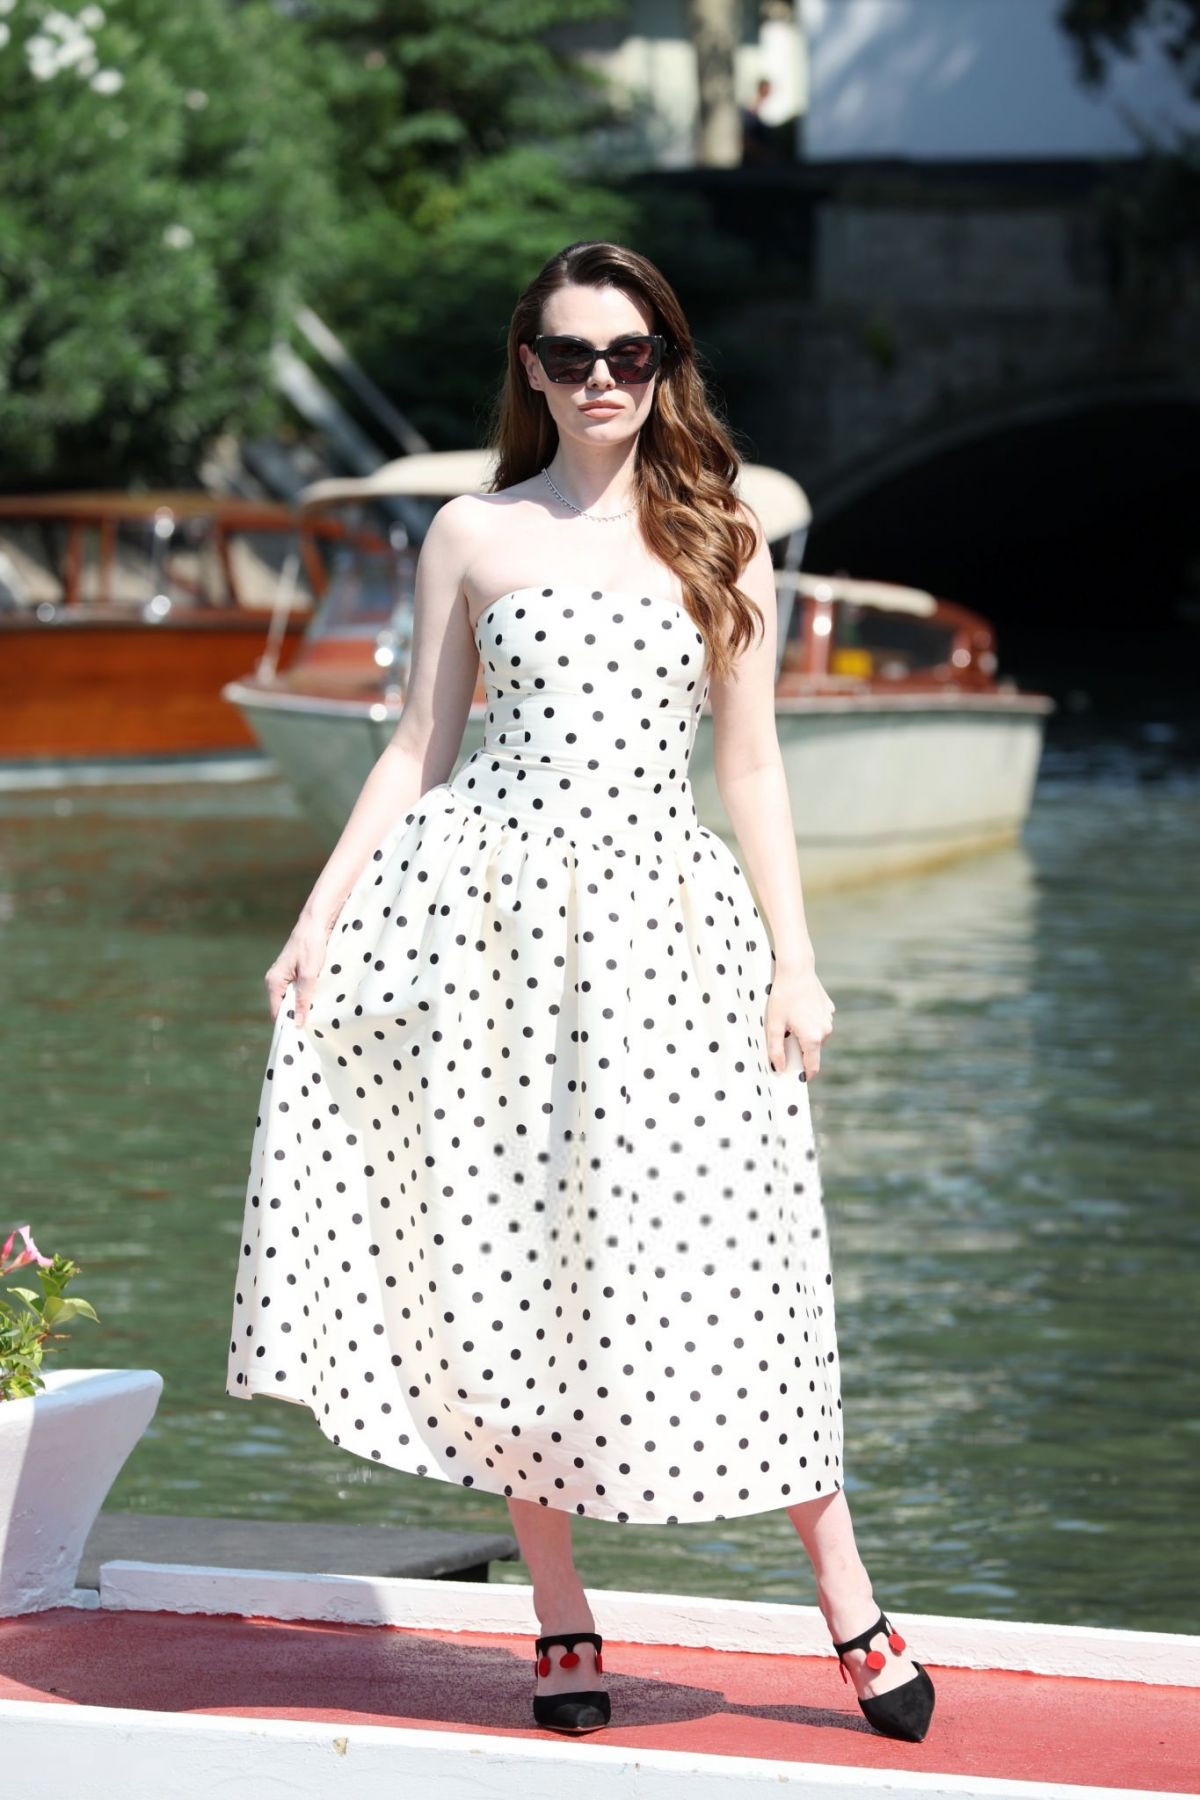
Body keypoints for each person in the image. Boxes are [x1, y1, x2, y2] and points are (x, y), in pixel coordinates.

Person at [225, 239, 935, 1745]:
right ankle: (559, 1613)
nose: (599, 380)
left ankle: (850, 1599)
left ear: (665, 364)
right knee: (514, 1261)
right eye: (568, 354)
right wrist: (317, 916)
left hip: (671, 936)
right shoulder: (471, 534)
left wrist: (797, 963)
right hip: (486, 935)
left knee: (736, 1260)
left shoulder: (720, 537)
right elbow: (417, 748)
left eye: (627, 354)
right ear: (528, 367)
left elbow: (749, 765)